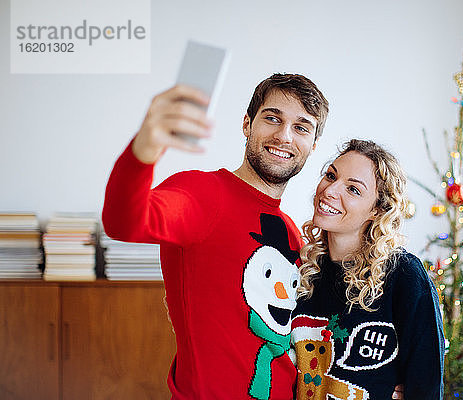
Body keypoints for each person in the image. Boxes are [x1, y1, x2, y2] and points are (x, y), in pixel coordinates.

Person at [102, 74, 329, 399]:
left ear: (312, 146)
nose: (284, 136)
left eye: (301, 127)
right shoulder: (202, 194)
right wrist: (146, 145)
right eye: (272, 118)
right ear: (247, 124)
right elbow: (124, 222)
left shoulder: (294, 233)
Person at [291, 139, 445, 400]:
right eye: (331, 176)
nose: (329, 190)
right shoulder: (302, 270)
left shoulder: (404, 274)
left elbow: (426, 382)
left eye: (353, 189)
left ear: (376, 210)